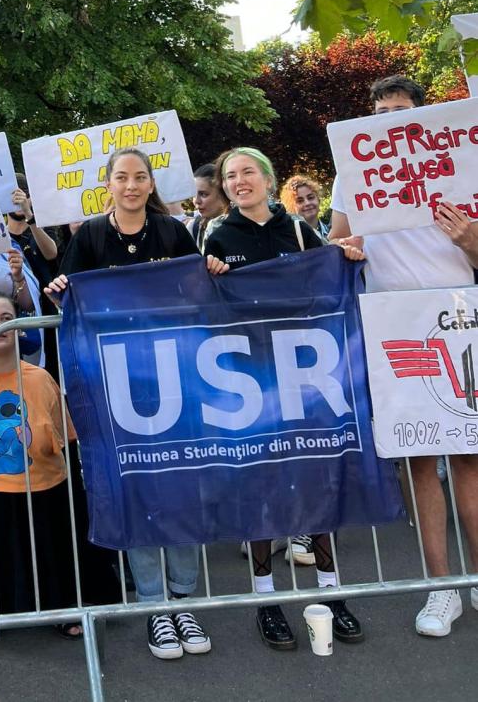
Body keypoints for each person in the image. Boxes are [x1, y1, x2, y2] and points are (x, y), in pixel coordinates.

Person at [48, 147, 221, 662]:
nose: (130, 185)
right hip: (117, 389)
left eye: (139, 177)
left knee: (183, 483)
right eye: (121, 177)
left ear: (151, 185)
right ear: (109, 186)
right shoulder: (90, 238)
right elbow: (68, 300)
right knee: (139, 488)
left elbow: (200, 290)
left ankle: (183, 598)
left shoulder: (172, 234)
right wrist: (59, 291)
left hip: (178, 381)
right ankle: (153, 604)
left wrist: (211, 268)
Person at [328, 74, 478, 639]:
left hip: (461, 319)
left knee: (469, 460)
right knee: (421, 462)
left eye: (399, 109)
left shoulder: (460, 164)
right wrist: (347, 249)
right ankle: (441, 588)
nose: (389, 116)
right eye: (381, 108)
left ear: (419, 114)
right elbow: (341, 243)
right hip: (395, 325)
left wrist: (468, 238)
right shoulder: (352, 172)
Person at [205, 147, 366, 651]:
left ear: (269, 179)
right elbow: (202, 305)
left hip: (306, 374)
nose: (238, 181)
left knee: (317, 481)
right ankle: (265, 600)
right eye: (230, 176)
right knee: (261, 487)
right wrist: (207, 276)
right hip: (251, 381)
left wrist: (349, 256)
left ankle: (332, 592)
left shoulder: (297, 229)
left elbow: (329, 271)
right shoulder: (217, 235)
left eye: (247, 171)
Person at [0, 292, 105, 645]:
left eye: (6, 317)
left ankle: (59, 609)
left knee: (49, 551)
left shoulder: (42, 379)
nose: (0, 325)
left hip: (41, 490)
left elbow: (65, 439)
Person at [188, 163, 228, 251]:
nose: (196, 201)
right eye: (194, 194)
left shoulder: (242, 224)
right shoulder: (193, 227)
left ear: (222, 193)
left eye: (203, 194)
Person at [281, 173, 329, 238]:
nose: (307, 203)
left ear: (318, 199)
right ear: (291, 206)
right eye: (300, 201)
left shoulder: (333, 233)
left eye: (310, 197)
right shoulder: (289, 239)